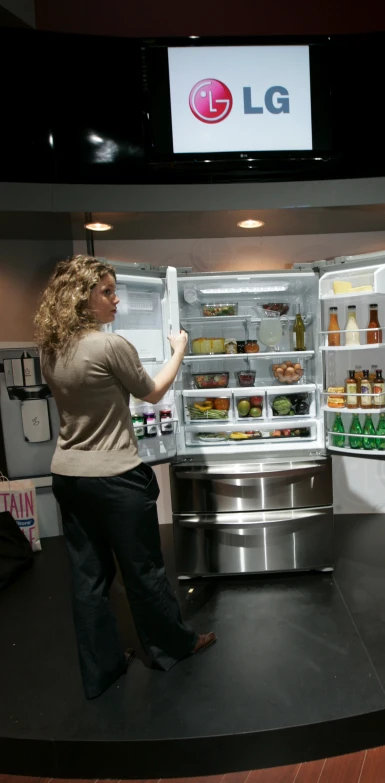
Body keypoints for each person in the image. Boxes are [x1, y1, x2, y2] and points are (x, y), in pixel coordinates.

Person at [34, 254, 215, 700]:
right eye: (107, 292)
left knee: (89, 578)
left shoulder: (51, 348)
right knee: (144, 571)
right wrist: (179, 350)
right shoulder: (108, 346)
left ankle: (103, 669)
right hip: (115, 476)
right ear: (82, 297)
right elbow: (153, 392)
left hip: (68, 476)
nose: (116, 300)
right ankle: (174, 646)